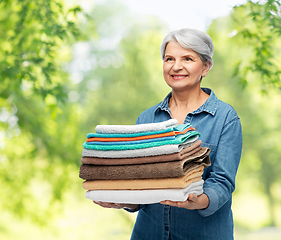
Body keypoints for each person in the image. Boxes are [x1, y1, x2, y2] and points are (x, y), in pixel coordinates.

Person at [94, 28, 242, 240]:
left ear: (206, 67)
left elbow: (223, 181)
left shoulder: (225, 117)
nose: (176, 66)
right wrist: (124, 200)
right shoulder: (146, 118)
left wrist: (197, 200)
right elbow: (140, 183)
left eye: (188, 58)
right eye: (169, 58)